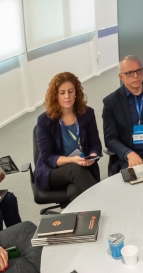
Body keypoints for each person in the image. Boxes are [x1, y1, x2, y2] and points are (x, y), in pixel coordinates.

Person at [34, 72, 102, 203]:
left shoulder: (87, 113)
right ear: (55, 95)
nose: (67, 96)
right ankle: (104, 203)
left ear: (76, 92)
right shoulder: (44, 120)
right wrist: (72, 160)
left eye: (71, 91)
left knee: (74, 191)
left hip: (82, 166)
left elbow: (95, 144)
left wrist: (92, 157)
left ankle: (84, 216)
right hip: (53, 170)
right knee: (75, 169)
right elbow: (48, 157)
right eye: (62, 93)